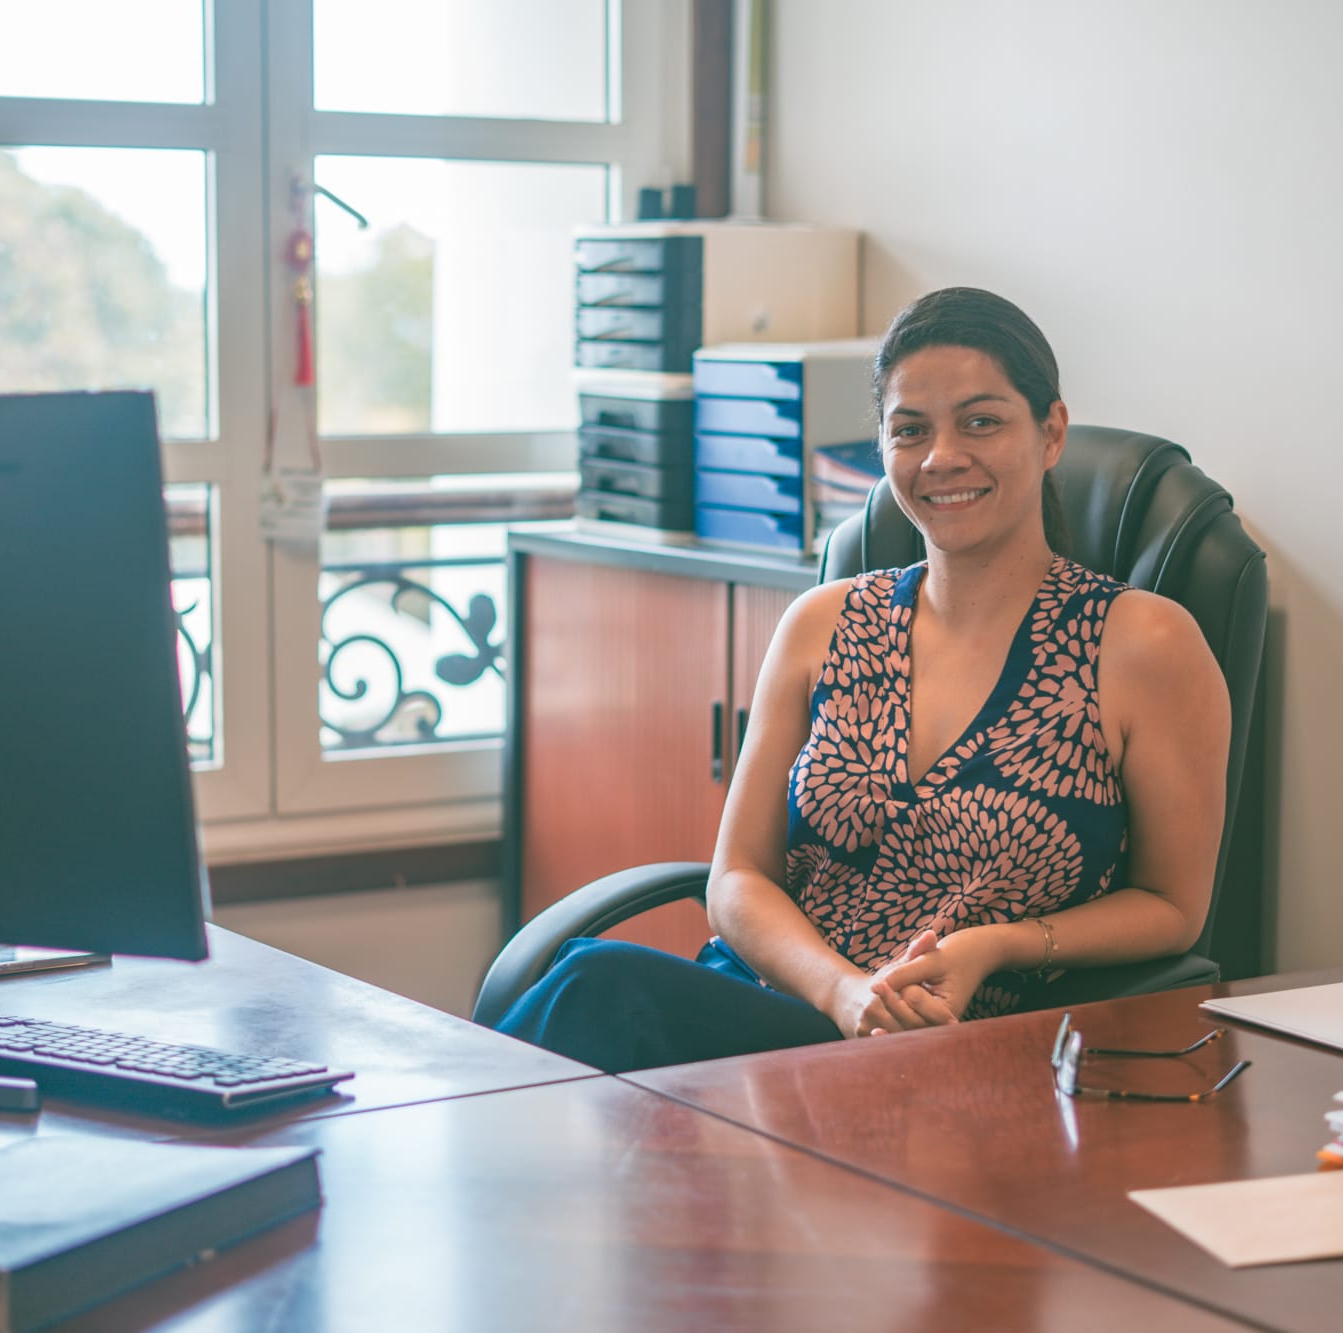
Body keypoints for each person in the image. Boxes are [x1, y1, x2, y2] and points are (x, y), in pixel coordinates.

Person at [496, 287, 1230, 1071]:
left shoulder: (1142, 643)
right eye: (910, 430)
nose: (941, 457)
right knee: (594, 994)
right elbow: (737, 877)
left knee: (597, 995)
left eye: (981, 421)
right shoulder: (823, 623)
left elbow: (1172, 907)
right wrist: (843, 993)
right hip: (781, 1013)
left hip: (961, 1049)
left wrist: (997, 945)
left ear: (1051, 432)